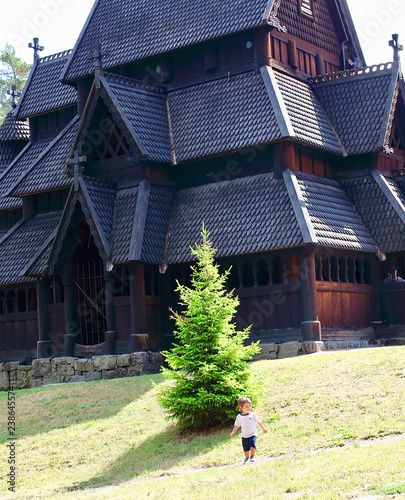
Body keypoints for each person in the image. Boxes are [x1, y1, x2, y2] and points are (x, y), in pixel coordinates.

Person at [230, 396, 267, 464]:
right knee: (245, 447)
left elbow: (258, 422)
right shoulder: (239, 417)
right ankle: (247, 458)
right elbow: (236, 426)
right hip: (244, 435)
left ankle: (252, 456)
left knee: (252, 444)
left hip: (253, 433)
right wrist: (233, 433)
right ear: (241, 408)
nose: (249, 408)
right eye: (246, 406)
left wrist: (263, 429)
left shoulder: (253, 415)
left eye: (250, 406)